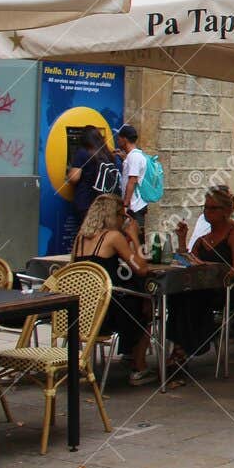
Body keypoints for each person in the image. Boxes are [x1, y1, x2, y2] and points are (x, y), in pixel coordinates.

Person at [69, 193, 156, 385]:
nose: (124, 219)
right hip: (106, 312)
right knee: (146, 302)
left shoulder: (80, 238)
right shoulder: (113, 237)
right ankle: (138, 366)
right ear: (113, 215)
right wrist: (134, 235)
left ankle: (129, 354)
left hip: (82, 313)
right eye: (122, 215)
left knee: (134, 297)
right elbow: (140, 268)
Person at [180, 186, 234, 368]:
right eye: (206, 208)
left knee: (193, 298)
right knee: (176, 297)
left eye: (212, 208)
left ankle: (183, 349)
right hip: (202, 287)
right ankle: (181, 347)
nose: (207, 212)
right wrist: (181, 240)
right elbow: (188, 262)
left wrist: (213, 272)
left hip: (227, 288)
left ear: (225, 211)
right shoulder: (203, 239)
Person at [65, 125, 120, 226]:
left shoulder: (82, 152)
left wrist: (68, 173)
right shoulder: (107, 154)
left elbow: (74, 178)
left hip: (85, 201)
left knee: (87, 234)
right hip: (103, 201)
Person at [115, 124, 149, 239]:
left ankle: (139, 257)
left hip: (135, 206)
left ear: (124, 139)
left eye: (119, 138)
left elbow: (132, 181)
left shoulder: (134, 157)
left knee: (136, 238)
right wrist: (124, 159)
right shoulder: (134, 156)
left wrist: (125, 204)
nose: (117, 141)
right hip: (135, 205)